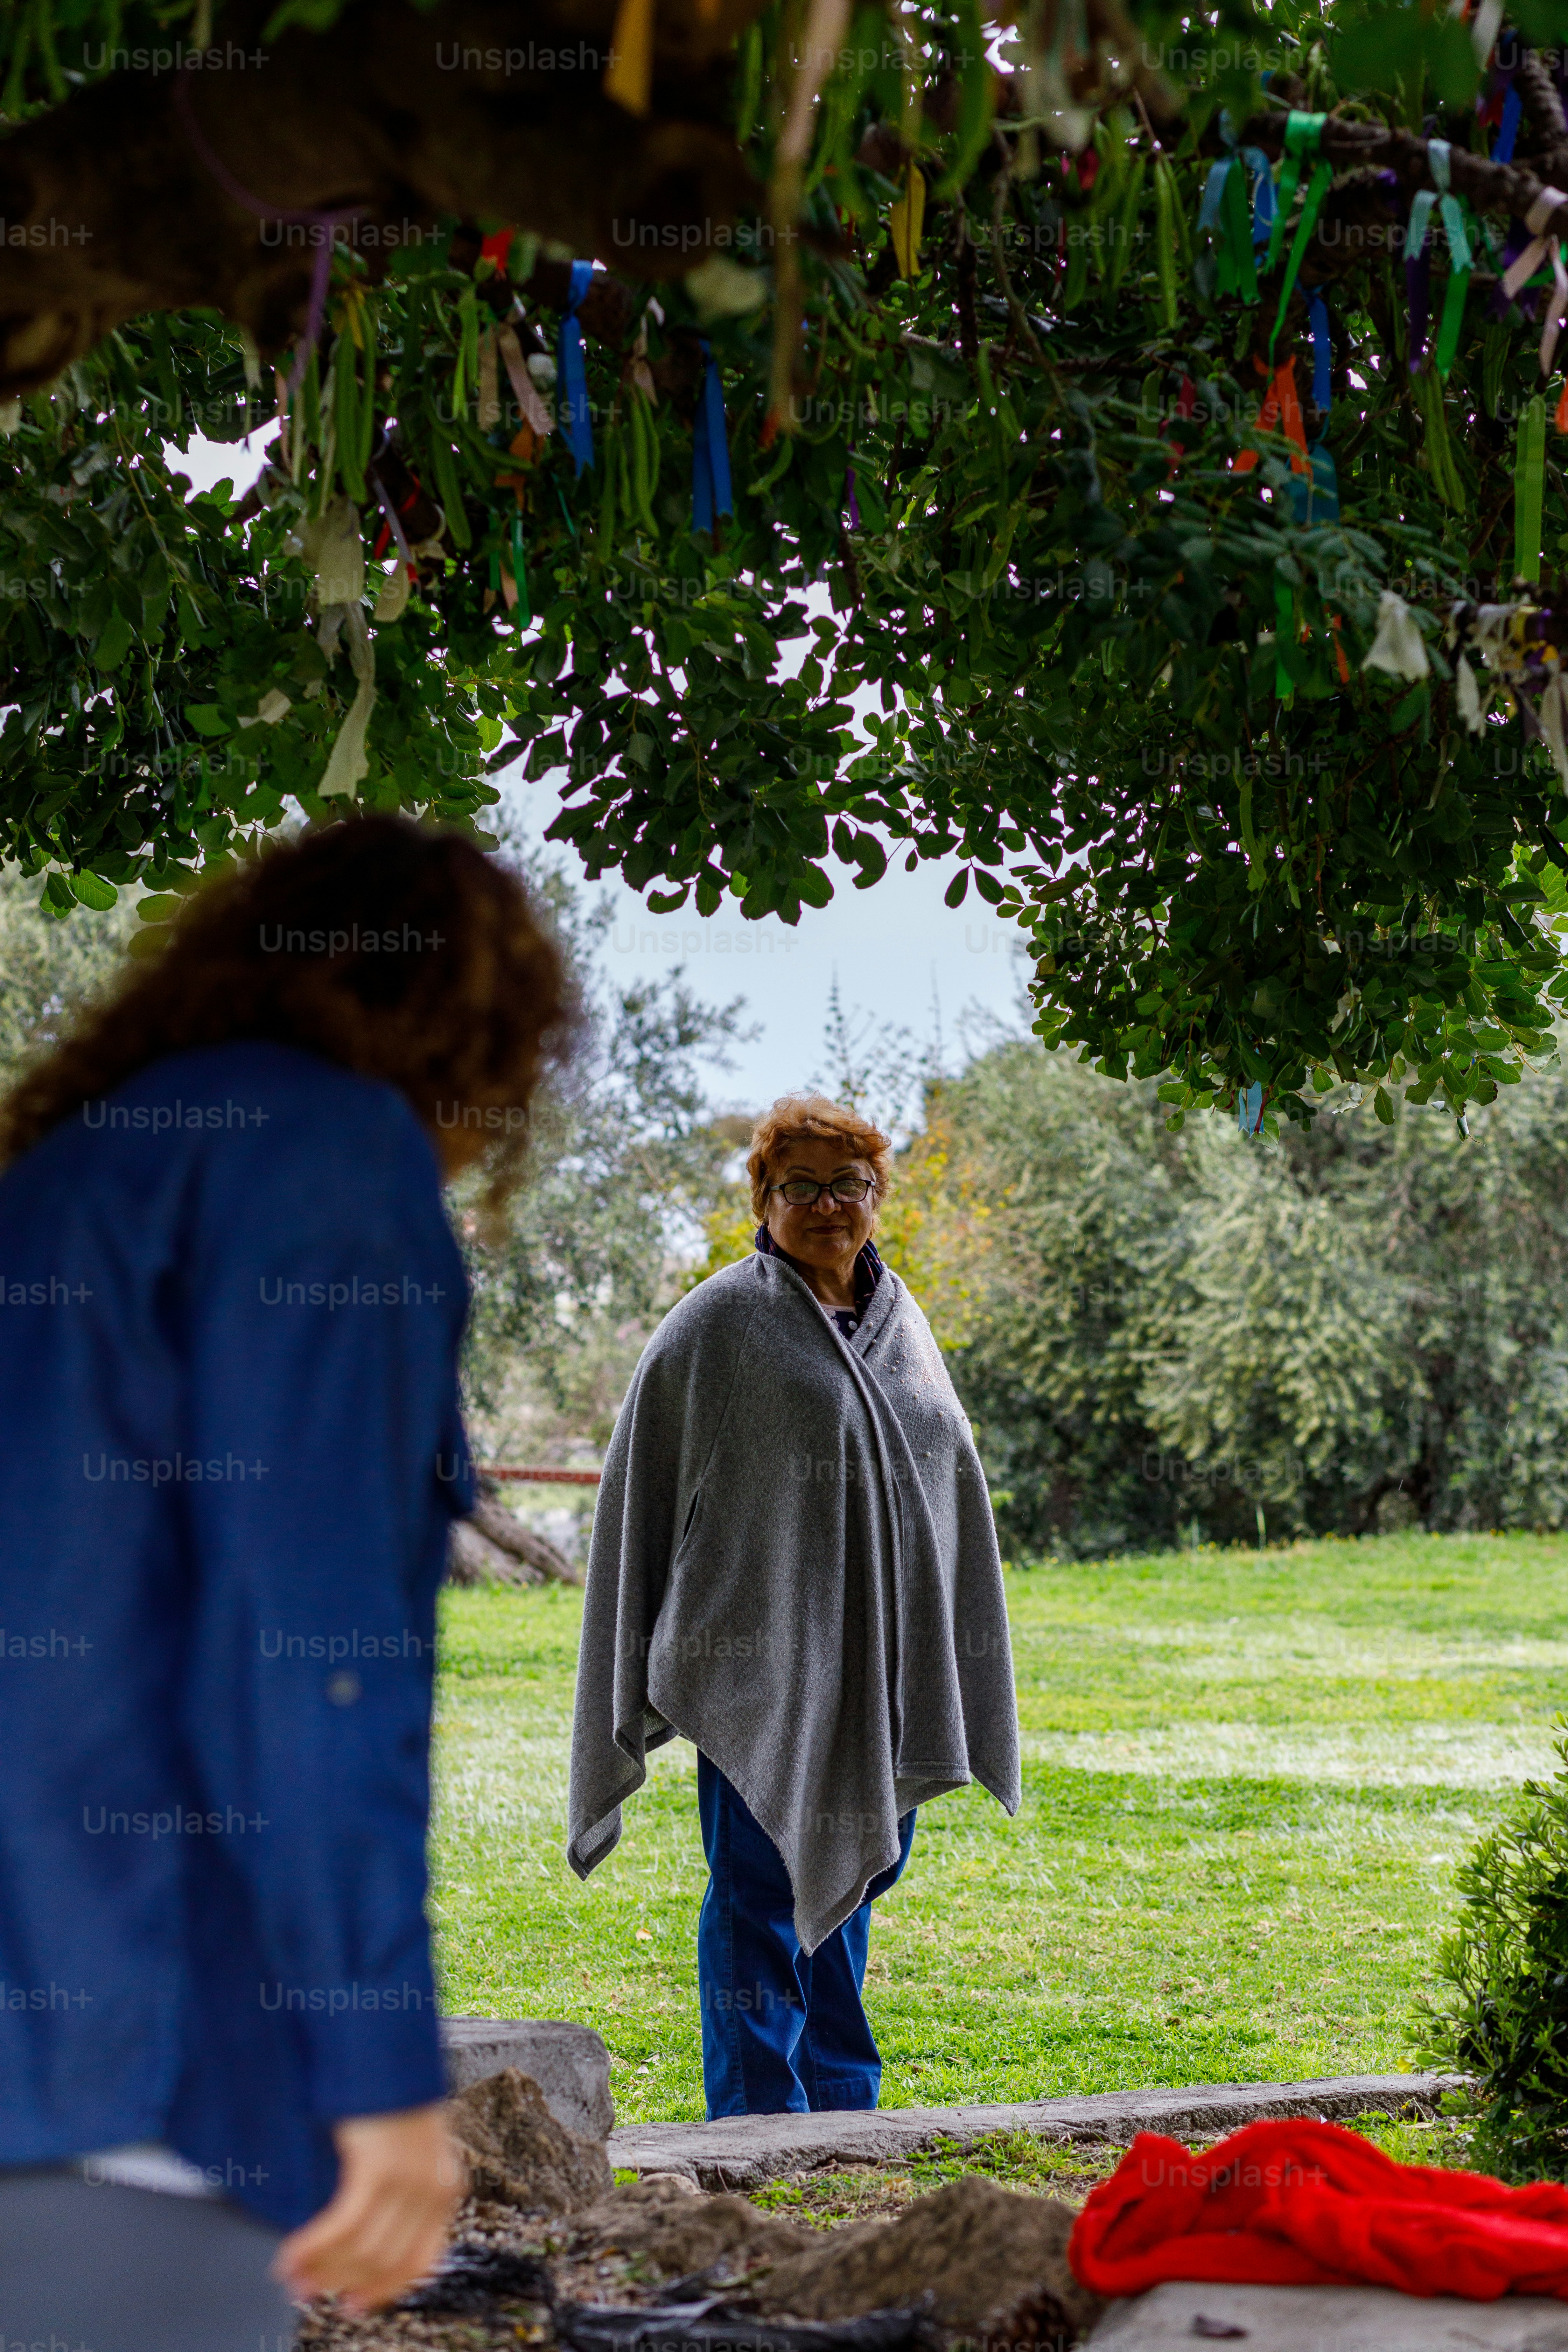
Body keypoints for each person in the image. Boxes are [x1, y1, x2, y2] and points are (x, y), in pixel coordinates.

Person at [0, 817, 568, 2352]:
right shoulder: (328, 1164)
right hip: (139, 2057)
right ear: (479, 1025)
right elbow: (307, 1663)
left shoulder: (66, 1173)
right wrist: (380, 2078)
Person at [568, 1093, 1020, 2119]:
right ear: (763, 1199)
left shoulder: (902, 1323)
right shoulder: (723, 1321)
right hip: (755, 1669)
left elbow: (937, 1478)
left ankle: (843, 2103)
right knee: (761, 1899)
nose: (827, 1204)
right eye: (801, 1186)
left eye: (848, 1184)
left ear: (877, 1196)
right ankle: (759, 2120)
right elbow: (645, 1486)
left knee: (854, 1879)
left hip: (879, 1671)